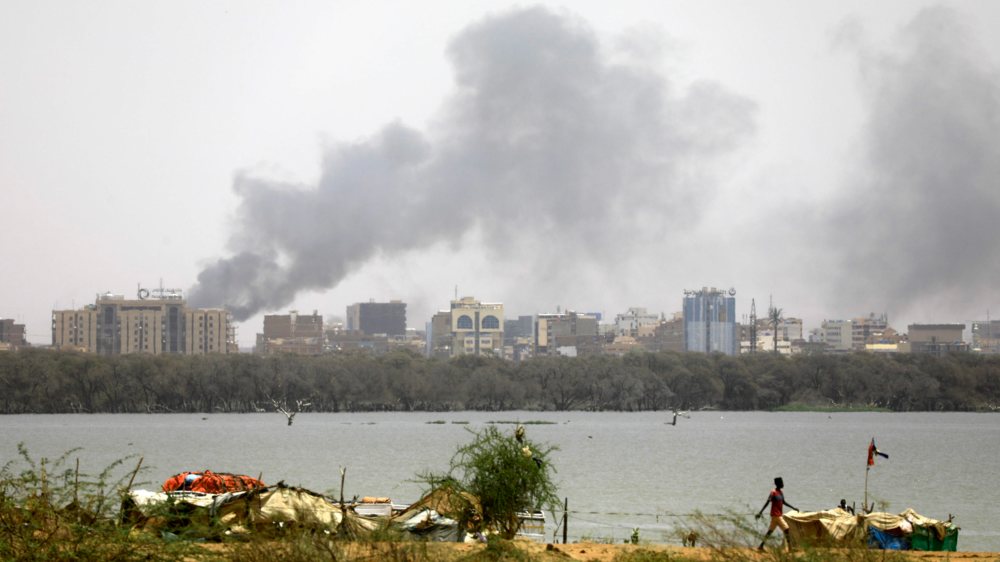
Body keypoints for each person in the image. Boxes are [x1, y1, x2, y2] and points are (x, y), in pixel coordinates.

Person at [755, 476, 798, 551]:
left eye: (782, 482)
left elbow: (784, 502)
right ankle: (790, 548)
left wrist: (793, 508)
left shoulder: (781, 492)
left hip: (777, 515)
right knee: (786, 529)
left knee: (770, 531)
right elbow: (767, 502)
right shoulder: (773, 492)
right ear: (777, 484)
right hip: (776, 515)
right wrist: (760, 512)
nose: (783, 484)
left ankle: (761, 546)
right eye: (781, 482)